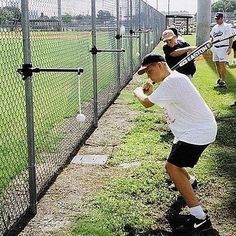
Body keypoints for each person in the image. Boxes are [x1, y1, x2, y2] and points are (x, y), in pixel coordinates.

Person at [133, 53, 217, 234]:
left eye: (150, 70)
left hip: (197, 132)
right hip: (189, 131)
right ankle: (190, 181)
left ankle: (200, 218)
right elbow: (163, 100)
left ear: (161, 65)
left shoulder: (172, 82)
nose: (149, 75)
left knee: (171, 167)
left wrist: (138, 92)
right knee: (175, 164)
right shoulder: (174, 80)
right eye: (146, 72)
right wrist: (152, 90)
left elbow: (147, 103)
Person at [210, 12, 234, 88]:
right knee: (217, 64)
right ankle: (220, 79)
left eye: (218, 19)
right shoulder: (215, 27)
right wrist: (210, 42)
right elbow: (212, 37)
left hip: (223, 47)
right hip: (215, 47)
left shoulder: (227, 26)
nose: (216, 20)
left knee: (222, 65)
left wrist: (230, 47)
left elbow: (231, 37)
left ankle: (223, 81)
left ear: (222, 18)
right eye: (216, 19)